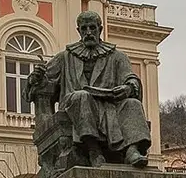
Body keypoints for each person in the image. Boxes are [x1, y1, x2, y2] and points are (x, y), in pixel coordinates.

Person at [25, 10, 151, 168]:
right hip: (75, 104)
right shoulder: (65, 57)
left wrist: (128, 87)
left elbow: (131, 78)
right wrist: (35, 78)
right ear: (79, 31)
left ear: (100, 29)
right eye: (84, 29)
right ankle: (93, 150)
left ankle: (132, 150)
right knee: (81, 96)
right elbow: (43, 82)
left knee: (133, 103)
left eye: (92, 28)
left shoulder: (118, 57)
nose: (89, 32)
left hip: (109, 104)